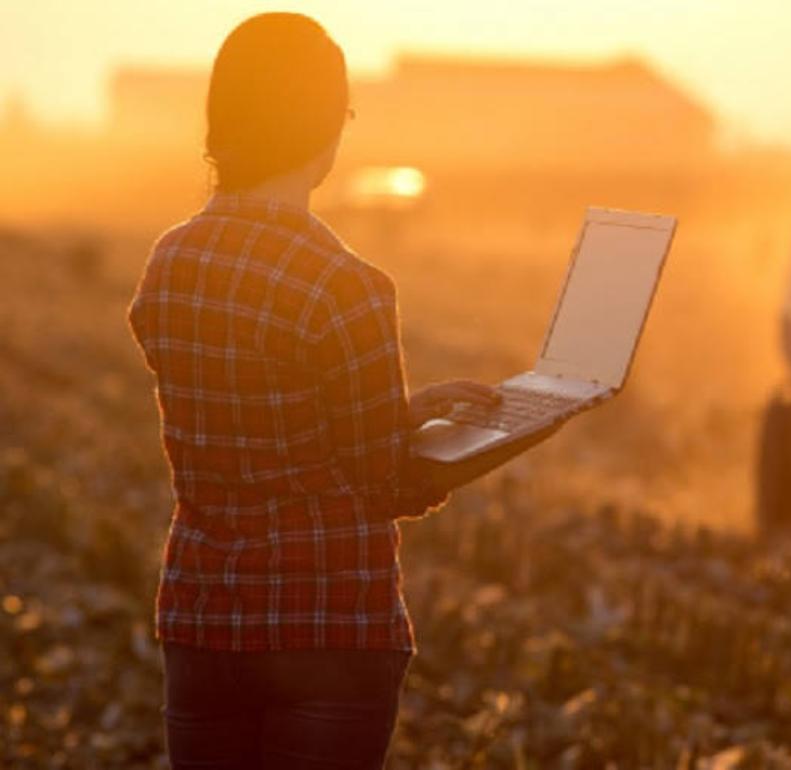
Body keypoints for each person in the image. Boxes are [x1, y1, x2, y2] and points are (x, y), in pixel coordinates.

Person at [127, 12, 554, 768]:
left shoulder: (168, 264)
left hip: (200, 619)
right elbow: (384, 480)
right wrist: (523, 427)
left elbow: (255, 406)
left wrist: (405, 410)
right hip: (326, 627)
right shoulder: (346, 286)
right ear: (326, 126)